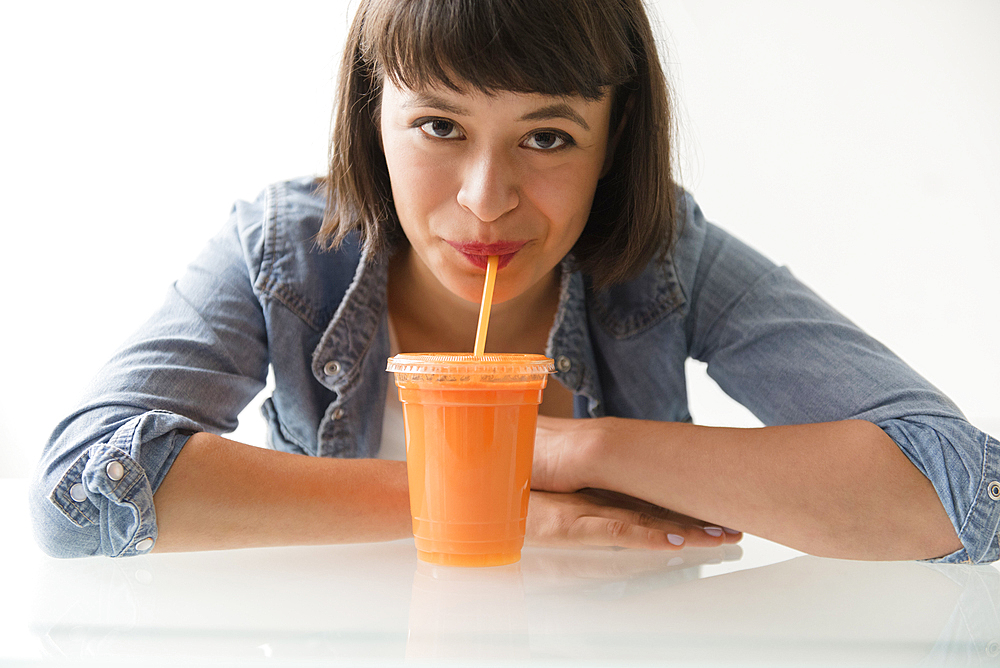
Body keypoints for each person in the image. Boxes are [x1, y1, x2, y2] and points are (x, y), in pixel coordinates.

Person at [30, 0, 995, 563]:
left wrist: (568, 449)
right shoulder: (288, 250)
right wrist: (490, 511)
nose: (488, 201)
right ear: (375, 115)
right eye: (439, 127)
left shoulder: (663, 257)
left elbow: (964, 490)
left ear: (614, 141)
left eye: (547, 136)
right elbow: (79, 493)